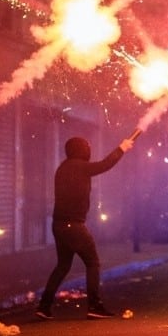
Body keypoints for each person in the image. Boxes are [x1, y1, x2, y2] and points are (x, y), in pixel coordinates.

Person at [36, 132, 137, 320]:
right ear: (80, 150)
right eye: (86, 147)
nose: (89, 150)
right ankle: (94, 305)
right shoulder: (79, 166)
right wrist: (122, 148)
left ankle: (44, 306)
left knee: (63, 266)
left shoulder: (63, 167)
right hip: (73, 225)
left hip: (59, 225)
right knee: (92, 263)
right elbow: (105, 165)